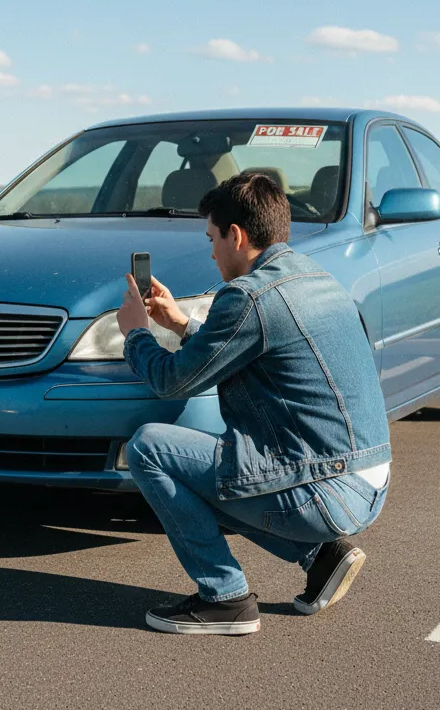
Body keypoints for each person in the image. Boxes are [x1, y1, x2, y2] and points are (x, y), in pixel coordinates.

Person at [116, 172, 391, 635]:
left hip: (327, 492)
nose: (210, 252)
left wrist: (136, 333)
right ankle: (322, 556)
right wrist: (181, 324)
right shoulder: (314, 277)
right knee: (218, 470)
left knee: (149, 448)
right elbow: (247, 349)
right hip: (365, 481)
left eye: (212, 237)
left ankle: (225, 599)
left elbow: (171, 381)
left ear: (236, 235)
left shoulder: (247, 296)